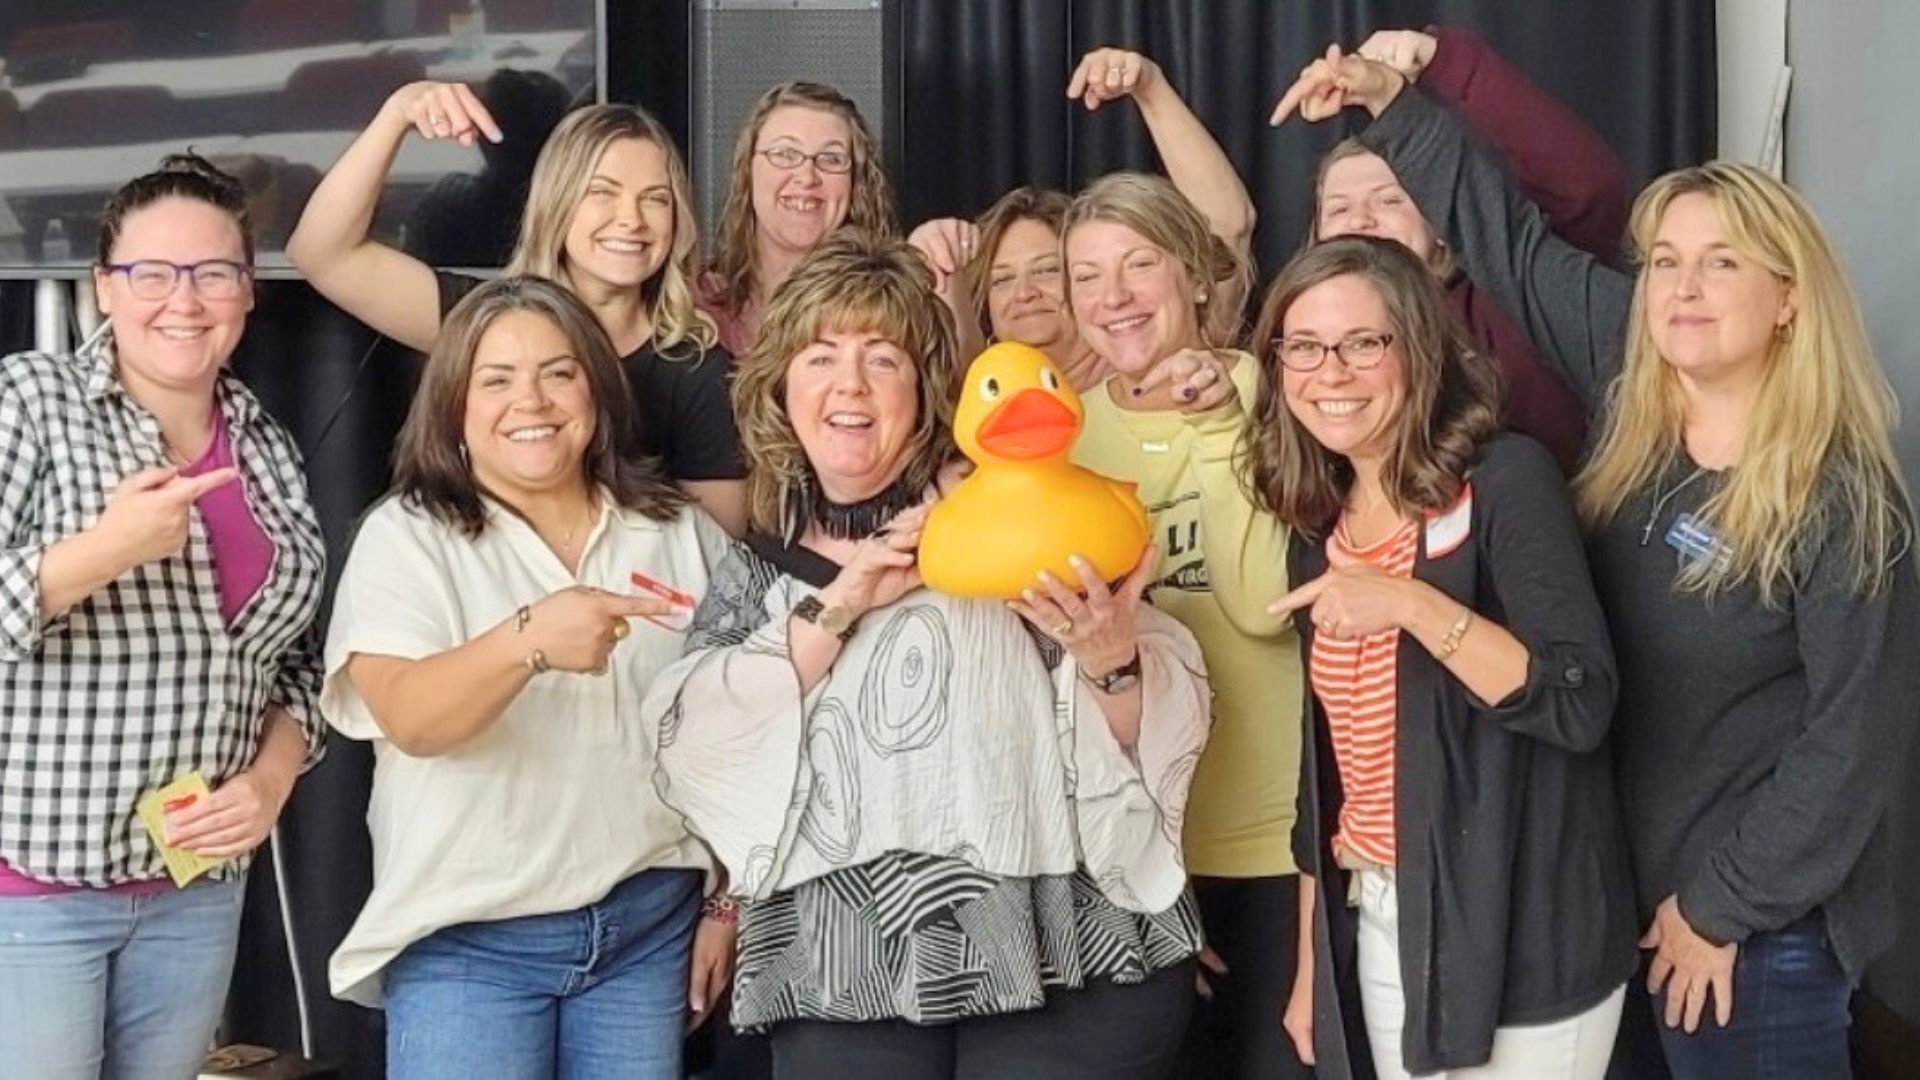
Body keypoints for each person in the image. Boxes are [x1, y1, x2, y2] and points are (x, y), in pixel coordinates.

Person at [1275, 49, 1920, 1080]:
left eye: (1722, 263)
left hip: (1753, 929)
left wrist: (1722, 909)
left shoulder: (1838, 496)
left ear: (1790, 299)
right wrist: (1397, 108)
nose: (1684, 287)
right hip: (1613, 899)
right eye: (1665, 261)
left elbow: (1858, 738)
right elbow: (1510, 244)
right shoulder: (1634, 380)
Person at [642, 231, 1211, 1079]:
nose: (850, 385)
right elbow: (698, 742)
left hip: (1068, 948)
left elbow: (1156, 713)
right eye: (820, 357)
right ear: (781, 388)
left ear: (925, 389)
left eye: (883, 359)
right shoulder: (760, 565)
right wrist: (840, 606)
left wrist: (1109, 657)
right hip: (843, 960)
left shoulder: (1015, 526)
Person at [320, 276, 738, 1077]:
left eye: (558, 372)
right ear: (454, 406)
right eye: (497, 379)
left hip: (647, 934)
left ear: (595, 388)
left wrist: (726, 902)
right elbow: (409, 716)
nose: (532, 401)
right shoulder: (405, 539)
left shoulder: (674, 529)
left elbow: (736, 731)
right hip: (471, 948)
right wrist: (527, 643)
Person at [1249, 235, 1636, 1080]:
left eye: (1362, 343)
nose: (1330, 372)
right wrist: (1315, 961)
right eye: (1303, 348)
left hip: (1524, 926)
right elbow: (1329, 771)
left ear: (1417, 351)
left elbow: (1578, 698)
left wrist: (1413, 605)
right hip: (1387, 914)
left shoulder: (1505, 480)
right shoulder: (1319, 525)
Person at [0, 154, 328, 1076]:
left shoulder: (265, 439)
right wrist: (103, 549)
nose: (183, 300)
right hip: (35, 886)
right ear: (106, 288)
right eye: (151, 273)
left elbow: (297, 662)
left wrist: (267, 784)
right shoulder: (32, 402)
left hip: (193, 891)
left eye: (214, 273)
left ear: (248, 294)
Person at [1055, 171, 1303, 1079]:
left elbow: (1262, 607)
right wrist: (1136, 885)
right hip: (1132, 860)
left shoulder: (1282, 397)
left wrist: (1218, 426)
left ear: (1197, 276)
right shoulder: (1065, 440)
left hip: (1274, 841)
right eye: (1086, 276)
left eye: (1139, 264)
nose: (1112, 297)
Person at [287, 85, 748, 535]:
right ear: (558, 200)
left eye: (656, 198)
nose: (631, 218)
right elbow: (320, 252)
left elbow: (713, 556)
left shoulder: (696, 368)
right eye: (602, 192)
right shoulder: (484, 321)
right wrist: (396, 113)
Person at [1303, 27, 1620, 474]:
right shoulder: (1305, 347)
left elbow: (1589, 191)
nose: (1361, 221)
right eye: (1339, 208)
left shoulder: (1512, 299)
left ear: (1442, 217)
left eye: (1390, 200)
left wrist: (1443, 61)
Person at [943, 47, 1260, 392]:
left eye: (1048, 269)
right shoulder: (989, 399)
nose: (1025, 293)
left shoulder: (1162, 355)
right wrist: (941, 270)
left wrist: (1150, 89)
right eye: (1001, 280)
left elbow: (1227, 224)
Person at [699, 81, 898, 354]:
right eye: (785, 154)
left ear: (857, 183)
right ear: (747, 171)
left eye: (831, 159)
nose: (807, 177)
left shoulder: (892, 309)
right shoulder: (697, 305)